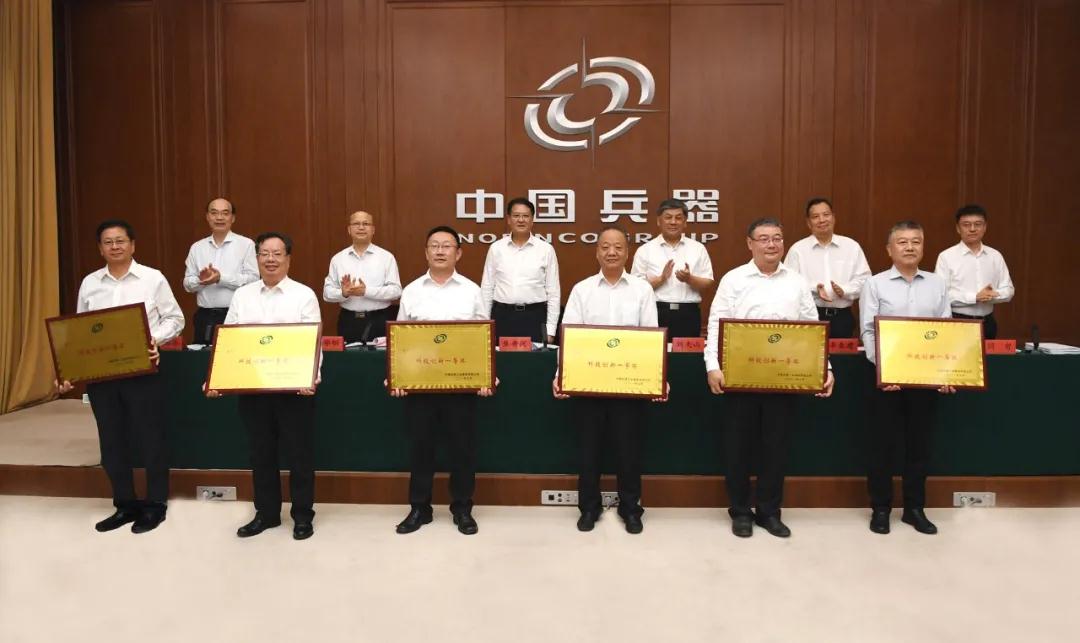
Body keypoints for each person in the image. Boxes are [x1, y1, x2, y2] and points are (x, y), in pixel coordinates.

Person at [704, 217, 834, 538]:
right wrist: (712, 366)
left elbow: (811, 329)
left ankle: (769, 512)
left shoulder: (796, 281)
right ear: (750, 244)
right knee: (738, 446)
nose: (772, 244)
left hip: (783, 376)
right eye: (763, 239)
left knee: (776, 447)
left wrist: (825, 368)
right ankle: (740, 511)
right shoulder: (734, 279)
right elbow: (716, 324)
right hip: (740, 376)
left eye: (777, 238)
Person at [57, 219, 184, 534]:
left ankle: (155, 505)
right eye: (108, 242)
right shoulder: (90, 283)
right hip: (103, 375)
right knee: (111, 440)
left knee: (151, 438)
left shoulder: (152, 278)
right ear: (100, 248)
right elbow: (80, 331)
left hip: (142, 371)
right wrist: (69, 369)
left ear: (132, 245)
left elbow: (175, 318)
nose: (115, 246)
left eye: (120, 241)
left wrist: (153, 340)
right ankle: (124, 504)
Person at [205, 232, 321, 540]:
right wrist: (217, 378)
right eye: (264, 254)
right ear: (257, 258)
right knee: (261, 454)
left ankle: (302, 516)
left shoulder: (303, 295)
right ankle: (267, 514)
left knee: (299, 455)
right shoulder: (243, 296)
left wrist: (312, 377)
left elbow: (313, 341)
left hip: (294, 390)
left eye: (277, 253)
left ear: (288, 259)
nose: (270, 259)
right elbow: (229, 341)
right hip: (253, 388)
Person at [553, 225, 665, 535]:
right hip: (588, 385)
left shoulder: (642, 290)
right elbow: (568, 337)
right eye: (605, 247)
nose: (611, 252)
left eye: (618, 247)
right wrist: (560, 375)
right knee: (588, 451)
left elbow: (650, 336)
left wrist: (657, 378)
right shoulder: (582, 289)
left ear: (627, 253)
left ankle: (631, 509)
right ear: (597, 251)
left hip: (629, 385)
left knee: (629, 450)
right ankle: (589, 508)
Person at [390, 226, 493, 536]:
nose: (439, 250)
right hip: (420, 384)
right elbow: (400, 339)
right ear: (426, 252)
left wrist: (486, 376)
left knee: (462, 448)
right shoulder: (412, 291)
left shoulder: (471, 290)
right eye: (434, 245)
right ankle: (419, 508)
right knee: (421, 447)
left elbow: (483, 337)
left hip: (460, 384)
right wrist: (397, 377)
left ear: (458, 253)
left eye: (446, 246)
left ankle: (462, 508)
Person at [861, 220, 954, 536]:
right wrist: (883, 369)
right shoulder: (875, 284)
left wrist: (946, 372)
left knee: (919, 444)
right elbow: (868, 331)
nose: (910, 247)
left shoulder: (937, 284)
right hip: (886, 379)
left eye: (916, 241)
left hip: (925, 378)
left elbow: (946, 332)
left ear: (923, 247)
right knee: (881, 445)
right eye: (902, 242)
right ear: (890, 249)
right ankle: (881, 508)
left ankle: (914, 509)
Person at [784, 197, 871, 338]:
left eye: (826, 214)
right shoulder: (798, 249)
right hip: (809, 316)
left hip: (842, 318)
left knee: (841, 353)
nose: (822, 220)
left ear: (833, 218)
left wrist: (845, 290)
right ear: (808, 223)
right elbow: (788, 284)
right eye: (815, 217)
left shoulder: (851, 246)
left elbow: (865, 281)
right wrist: (814, 288)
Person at [630, 198, 715, 338]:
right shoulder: (645, 250)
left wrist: (689, 279)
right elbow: (636, 288)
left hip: (688, 314)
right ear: (659, 221)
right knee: (656, 352)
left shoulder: (698, 248)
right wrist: (661, 279)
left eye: (678, 218)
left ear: (685, 222)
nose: (673, 222)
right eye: (668, 217)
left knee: (686, 353)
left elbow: (708, 282)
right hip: (655, 311)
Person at [480, 197, 560, 343]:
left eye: (525, 216)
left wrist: (551, 330)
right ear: (509, 219)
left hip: (534, 317)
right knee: (501, 358)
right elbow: (487, 288)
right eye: (516, 215)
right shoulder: (496, 248)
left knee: (534, 358)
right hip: (502, 317)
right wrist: (485, 326)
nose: (521, 220)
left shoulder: (546, 250)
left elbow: (553, 292)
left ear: (532, 219)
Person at [182, 198, 258, 344]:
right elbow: (187, 284)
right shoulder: (197, 247)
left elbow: (253, 279)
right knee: (203, 356)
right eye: (214, 213)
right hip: (205, 317)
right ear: (207, 217)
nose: (219, 217)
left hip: (237, 315)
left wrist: (220, 278)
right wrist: (200, 280)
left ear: (233, 218)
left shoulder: (246, 244)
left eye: (225, 213)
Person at [934, 204, 1014, 339]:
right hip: (958, 322)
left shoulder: (995, 256)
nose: (972, 229)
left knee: (988, 354)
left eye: (978, 224)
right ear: (958, 228)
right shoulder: (946, 257)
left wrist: (992, 295)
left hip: (987, 322)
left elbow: (1009, 290)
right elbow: (941, 296)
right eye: (966, 225)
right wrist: (975, 297)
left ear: (985, 227)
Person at [322, 210, 402, 343]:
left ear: (373, 230)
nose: (361, 227)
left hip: (379, 320)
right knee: (349, 356)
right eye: (356, 224)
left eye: (366, 224)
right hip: (349, 321)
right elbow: (327, 293)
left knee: (381, 356)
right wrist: (343, 293)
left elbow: (396, 291)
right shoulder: (338, 259)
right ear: (349, 229)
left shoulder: (386, 257)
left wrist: (366, 291)